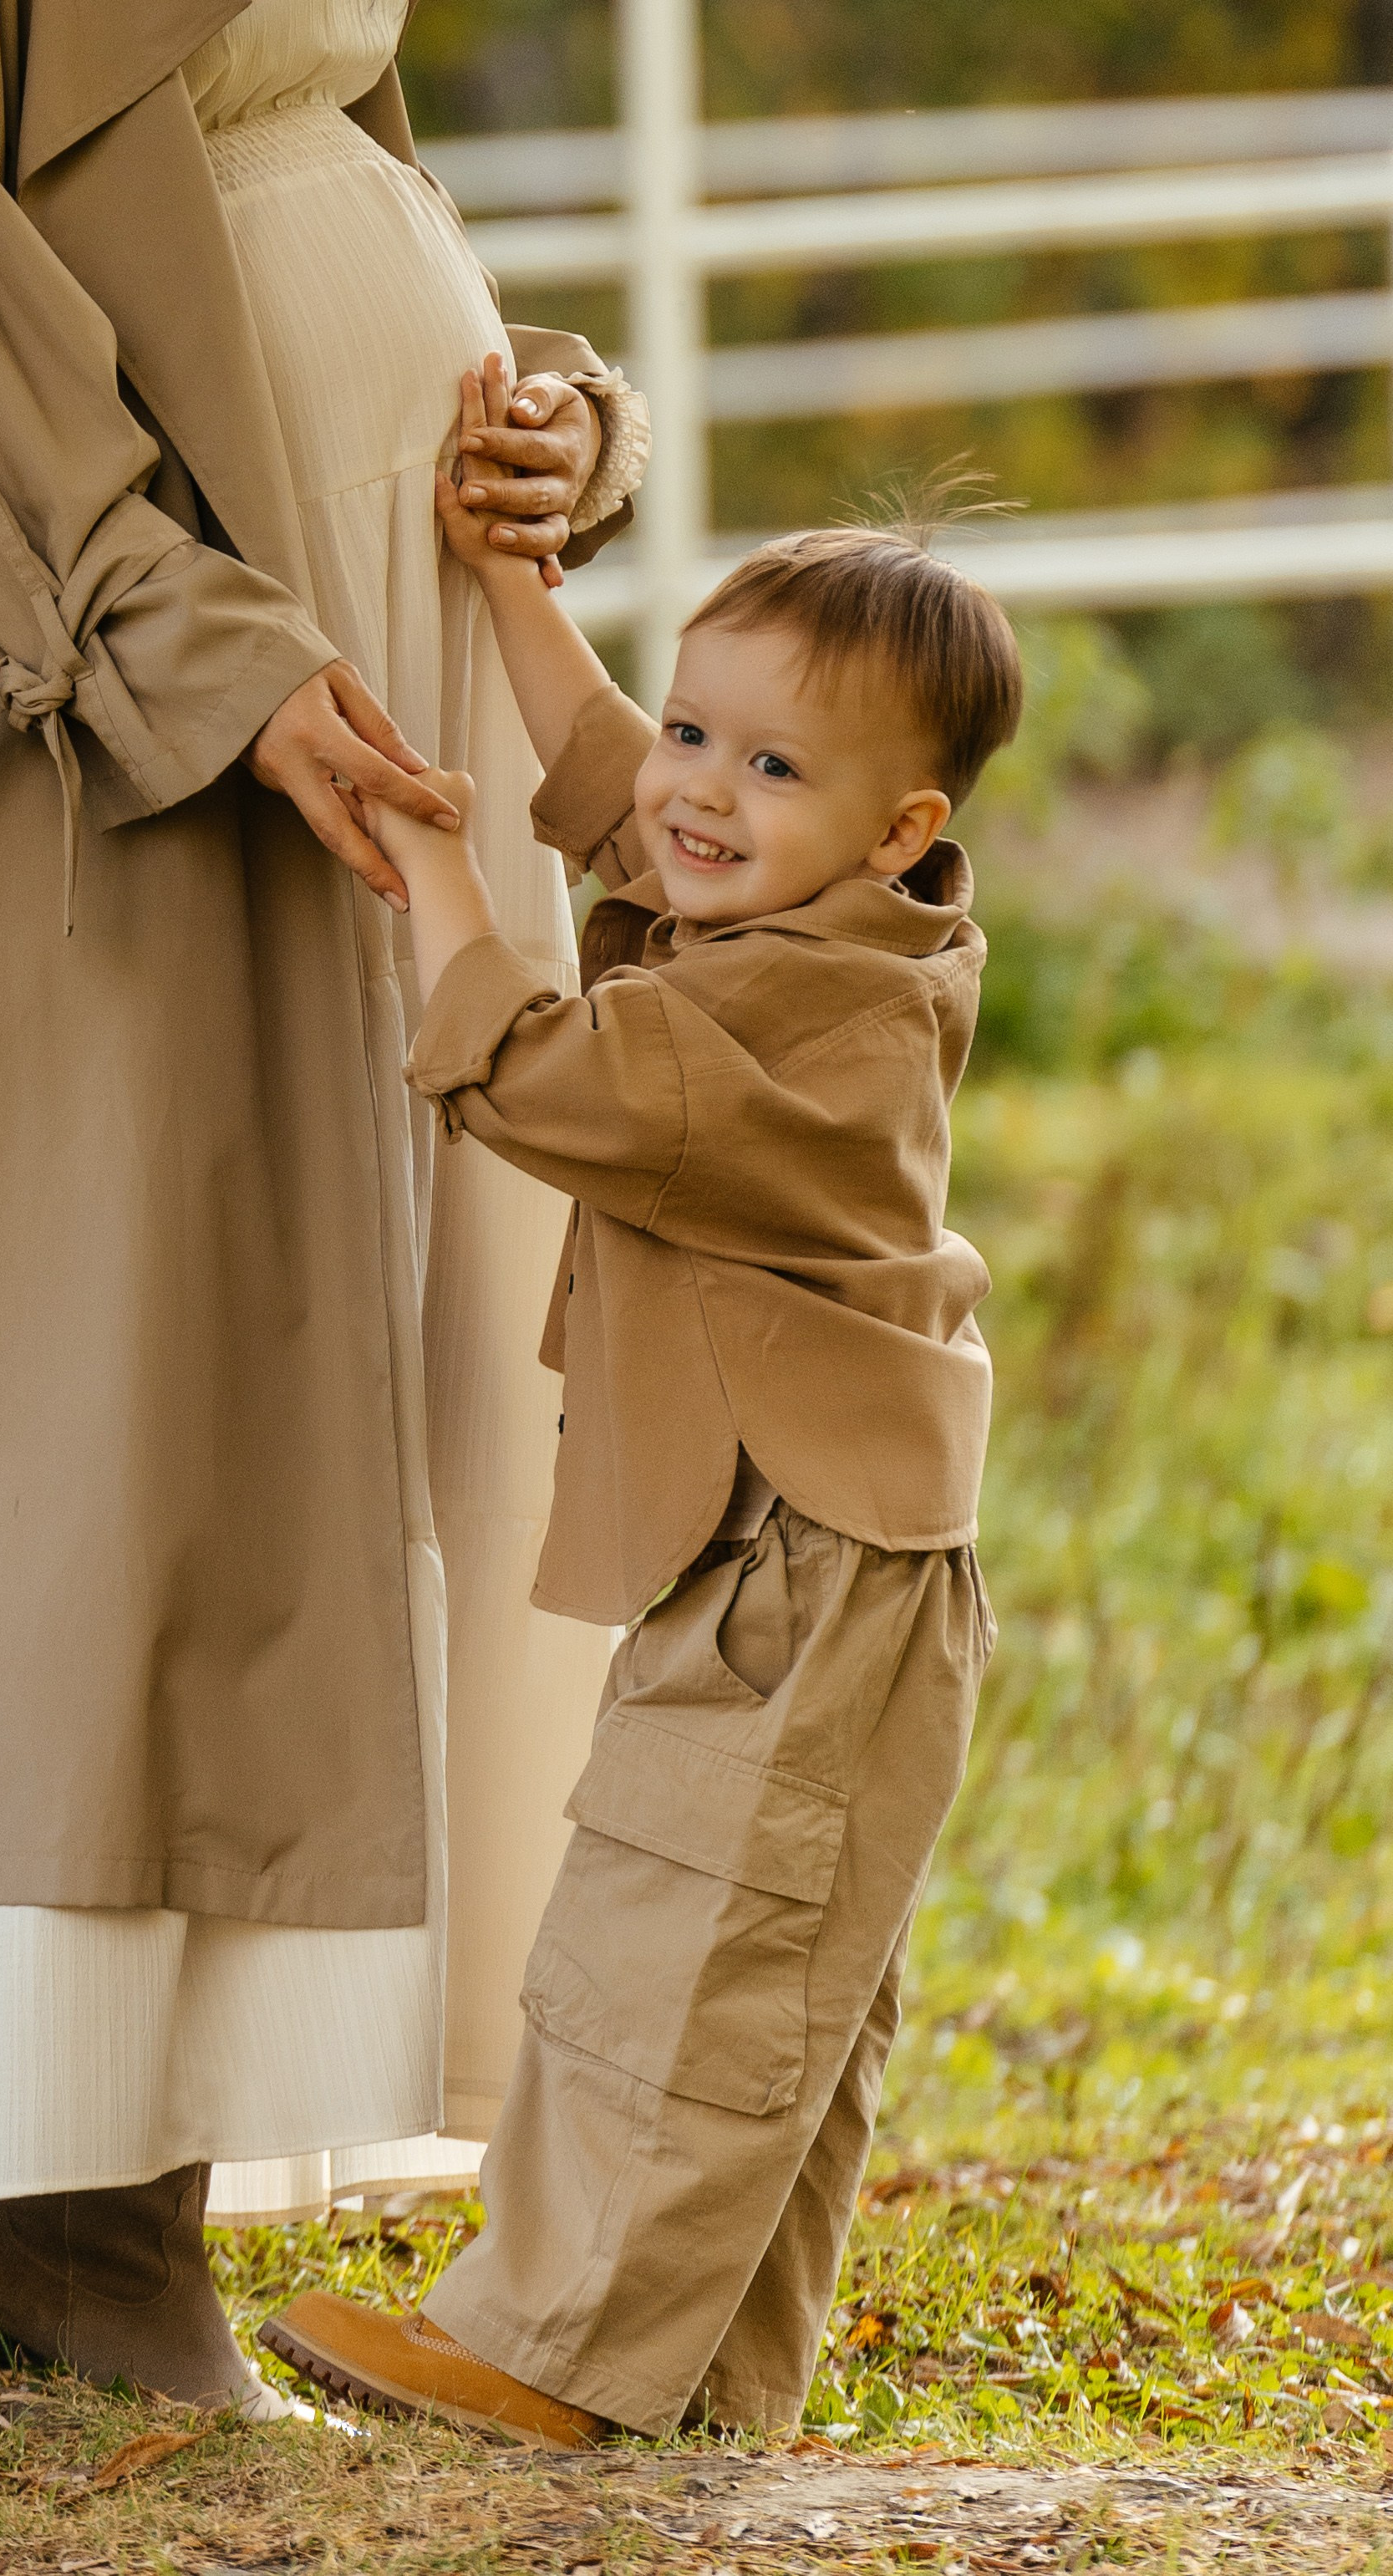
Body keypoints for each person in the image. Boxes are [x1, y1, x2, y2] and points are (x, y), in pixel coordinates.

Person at [0, 3, 642, 2405]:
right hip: (60, 633)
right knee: (68, 1403)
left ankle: (111, 2211)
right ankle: (53, 2212)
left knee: (309, 1394)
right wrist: (166, 629)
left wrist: (539, 401)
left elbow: (305, 115)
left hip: (337, 608)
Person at [261, 426, 1021, 2441]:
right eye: (697, 726)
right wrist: (515, 587)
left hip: (810, 1555)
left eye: (768, 766)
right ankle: (693, 2392)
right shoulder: (802, 919)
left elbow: (537, 1077)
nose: (691, 788)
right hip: (787, 1538)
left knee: (677, 1949)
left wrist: (433, 871)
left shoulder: (808, 1021)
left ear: (897, 827)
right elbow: (612, 791)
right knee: (764, 1976)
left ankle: (551, 2356)